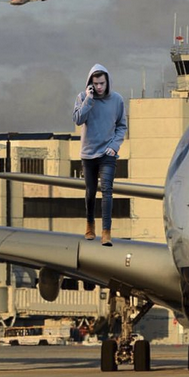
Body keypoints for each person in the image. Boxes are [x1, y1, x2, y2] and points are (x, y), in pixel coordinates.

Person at [73, 64, 127, 245]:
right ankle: (90, 225)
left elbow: (122, 126)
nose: (99, 87)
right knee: (90, 192)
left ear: (107, 82)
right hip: (88, 154)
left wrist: (115, 146)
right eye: (95, 84)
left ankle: (106, 232)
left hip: (107, 154)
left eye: (102, 83)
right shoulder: (82, 97)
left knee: (107, 191)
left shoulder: (117, 100)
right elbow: (78, 119)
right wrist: (89, 99)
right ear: (90, 83)